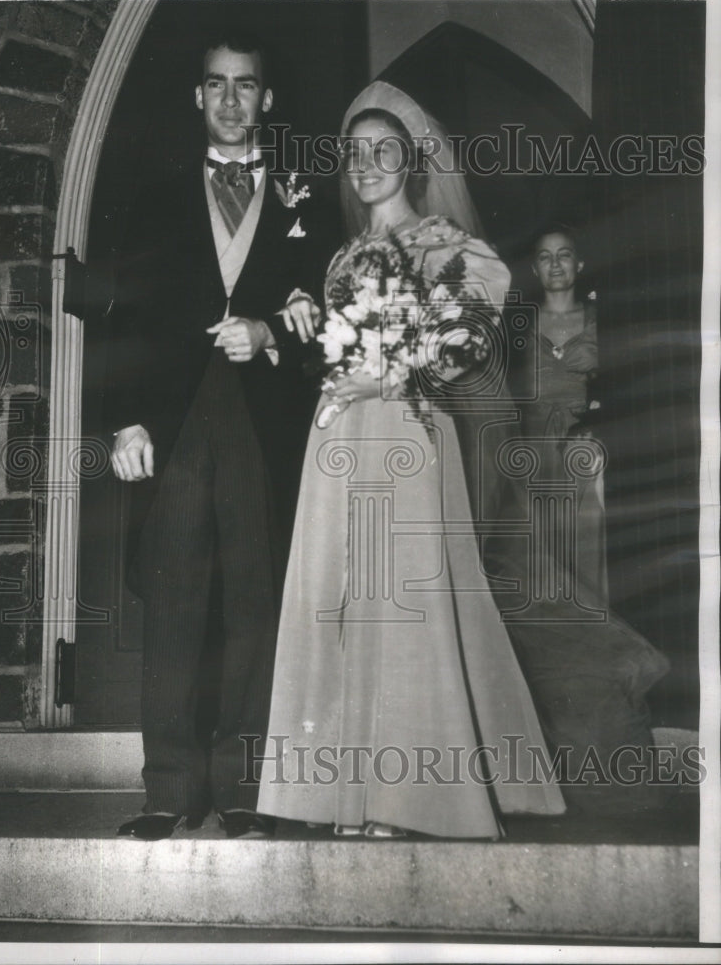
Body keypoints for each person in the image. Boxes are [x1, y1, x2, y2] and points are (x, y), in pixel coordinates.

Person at [256, 81, 566, 839]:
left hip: (405, 432)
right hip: (336, 442)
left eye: (383, 150)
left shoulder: (452, 248)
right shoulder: (337, 257)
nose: (366, 165)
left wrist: (383, 374)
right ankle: (342, 795)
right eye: (355, 152)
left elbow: (462, 345)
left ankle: (407, 798)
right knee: (341, 597)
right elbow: (327, 342)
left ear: (414, 159)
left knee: (403, 600)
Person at [107, 28, 335, 840]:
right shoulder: (157, 190)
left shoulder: (309, 194)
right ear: (197, 96)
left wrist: (271, 333)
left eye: (247, 85)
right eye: (218, 85)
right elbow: (122, 317)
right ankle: (168, 788)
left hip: (261, 423)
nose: (233, 100)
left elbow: (335, 322)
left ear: (267, 99)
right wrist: (126, 417)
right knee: (172, 600)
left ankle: (241, 786)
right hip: (173, 422)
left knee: (254, 600)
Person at [518, 226, 608, 601]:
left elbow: (622, 387)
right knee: (535, 549)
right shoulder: (516, 324)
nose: (555, 264)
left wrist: (595, 420)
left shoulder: (601, 320)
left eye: (564, 254)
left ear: (580, 263)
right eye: (544, 256)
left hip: (583, 445)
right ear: (535, 270)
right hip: (528, 447)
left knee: (585, 539)